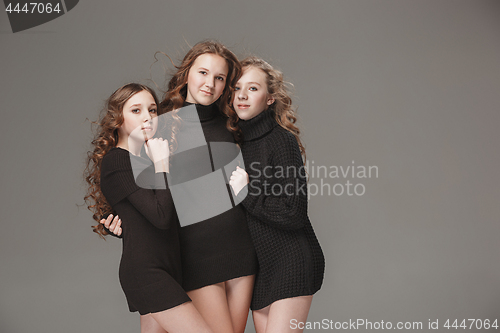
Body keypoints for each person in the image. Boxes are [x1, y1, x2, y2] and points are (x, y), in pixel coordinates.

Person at [101, 41, 258, 333]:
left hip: (241, 250)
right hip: (195, 256)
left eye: (220, 77)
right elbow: (131, 180)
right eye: (202, 72)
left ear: (226, 86)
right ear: (187, 74)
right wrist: (118, 220)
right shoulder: (158, 122)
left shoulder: (236, 124)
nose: (209, 83)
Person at [84, 83, 213, 333]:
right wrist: (162, 165)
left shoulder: (146, 159)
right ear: (117, 119)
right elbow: (161, 216)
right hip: (147, 273)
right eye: (136, 110)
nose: (147, 117)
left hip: (170, 268)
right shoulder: (118, 160)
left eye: (152, 110)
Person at [228, 56, 325, 333]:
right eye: (236, 88)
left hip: (291, 261)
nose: (243, 96)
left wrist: (247, 192)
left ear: (270, 98)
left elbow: (293, 212)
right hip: (262, 269)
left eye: (253, 88)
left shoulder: (281, 141)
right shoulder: (235, 144)